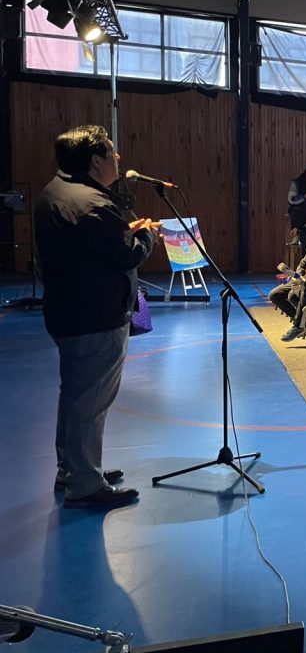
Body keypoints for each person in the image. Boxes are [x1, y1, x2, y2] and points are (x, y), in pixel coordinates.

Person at [35, 125, 158, 509]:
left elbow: (99, 243)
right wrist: (146, 235)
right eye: (112, 153)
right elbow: (127, 254)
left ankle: (72, 467)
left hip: (69, 311)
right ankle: (85, 485)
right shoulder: (92, 204)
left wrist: (123, 232)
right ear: (95, 161)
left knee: (74, 396)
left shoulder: (58, 191)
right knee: (90, 401)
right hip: (95, 317)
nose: (118, 159)